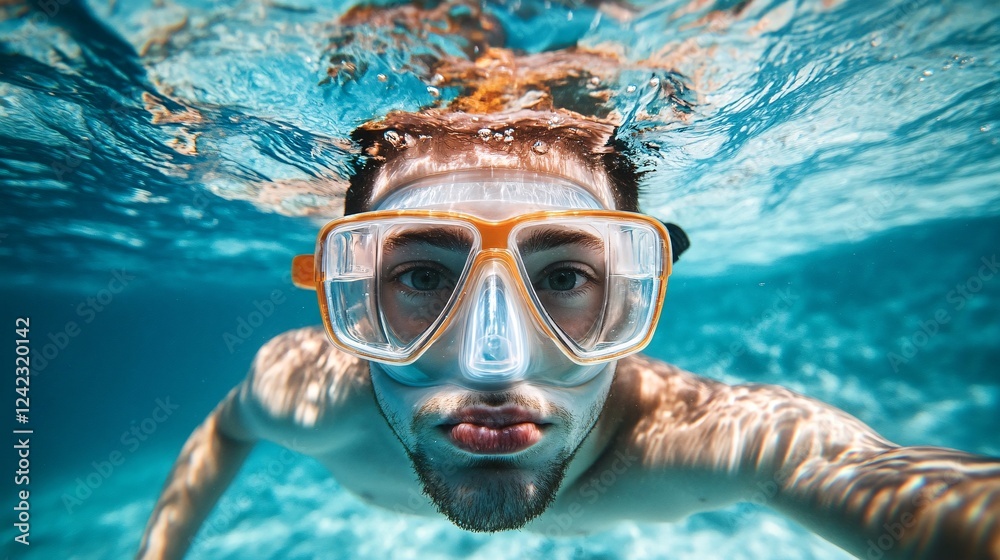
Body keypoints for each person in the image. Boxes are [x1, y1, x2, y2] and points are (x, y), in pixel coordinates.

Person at [138, 108, 1000, 560]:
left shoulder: (714, 442)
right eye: (422, 276)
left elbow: (873, 481)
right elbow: (225, 431)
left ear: (630, 295)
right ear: (349, 296)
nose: (496, 363)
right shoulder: (304, 392)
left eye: (564, 278)